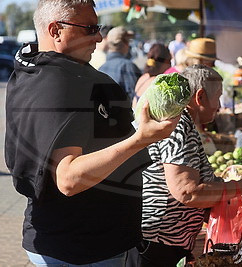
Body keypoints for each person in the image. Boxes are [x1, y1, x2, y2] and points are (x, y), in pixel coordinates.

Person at [5, 0, 179, 266]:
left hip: (69, 240)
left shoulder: (34, 68)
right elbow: (68, 179)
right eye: (89, 28)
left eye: (98, 27)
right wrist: (141, 139)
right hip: (82, 249)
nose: (99, 37)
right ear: (55, 30)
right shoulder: (61, 83)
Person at [126, 65, 242, 267]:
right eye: (217, 97)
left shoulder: (181, 123)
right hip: (158, 243)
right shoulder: (179, 126)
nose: (219, 106)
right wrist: (241, 187)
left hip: (161, 241)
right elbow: (187, 192)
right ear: (200, 97)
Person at [99, 26, 142, 101]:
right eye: (128, 41)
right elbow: (137, 98)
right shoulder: (128, 66)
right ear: (125, 43)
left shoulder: (101, 68)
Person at [132, 43, 171, 109]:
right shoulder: (158, 83)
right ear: (164, 62)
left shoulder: (143, 77)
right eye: (169, 61)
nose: (170, 65)